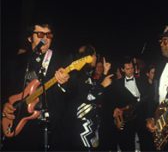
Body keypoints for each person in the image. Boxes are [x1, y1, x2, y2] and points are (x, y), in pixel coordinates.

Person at [1, 22, 70, 151]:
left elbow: (73, 93)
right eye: (40, 34)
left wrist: (64, 83)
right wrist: (4, 105)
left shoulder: (61, 60)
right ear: (29, 38)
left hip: (46, 129)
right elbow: (4, 88)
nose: (45, 38)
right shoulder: (16, 61)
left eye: (48, 35)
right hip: (17, 123)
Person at [61, 44, 114, 151]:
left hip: (89, 125)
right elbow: (88, 96)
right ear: (87, 57)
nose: (96, 58)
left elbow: (95, 93)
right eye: (94, 55)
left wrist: (104, 74)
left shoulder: (85, 74)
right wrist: (103, 85)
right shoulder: (78, 75)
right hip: (81, 127)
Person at [112, 57, 154, 151]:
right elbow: (114, 101)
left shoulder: (142, 80)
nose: (130, 71)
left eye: (132, 68)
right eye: (127, 69)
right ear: (122, 70)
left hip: (141, 116)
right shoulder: (117, 84)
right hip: (128, 117)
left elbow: (149, 97)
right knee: (127, 143)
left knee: (145, 142)